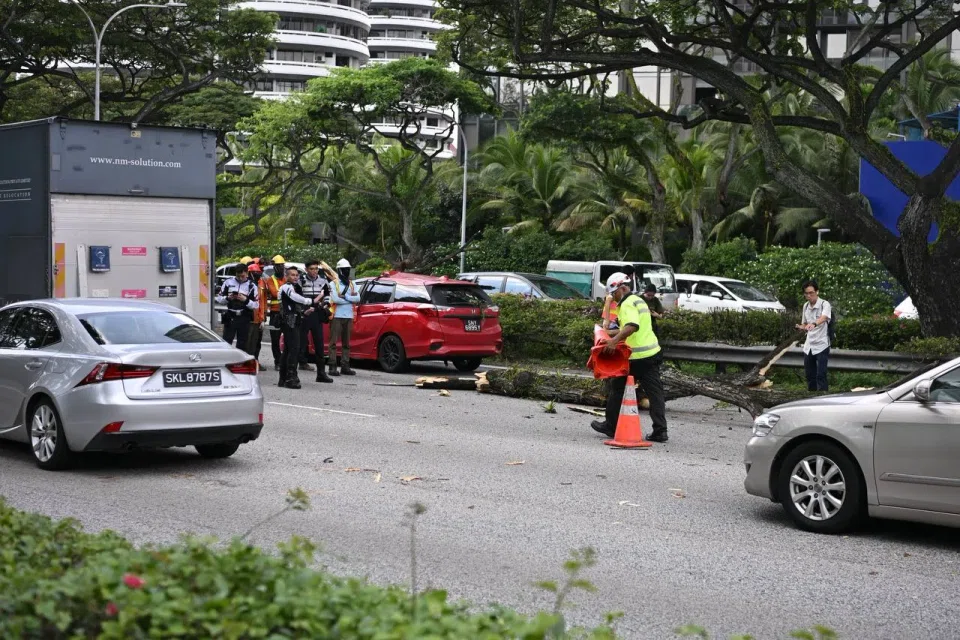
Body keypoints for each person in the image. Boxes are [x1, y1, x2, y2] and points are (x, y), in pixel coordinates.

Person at [591, 272, 669, 443]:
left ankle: (610, 426)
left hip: (636, 356)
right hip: (652, 353)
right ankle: (660, 431)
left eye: (614, 293)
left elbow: (632, 326)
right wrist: (606, 333)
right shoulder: (639, 300)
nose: (613, 297)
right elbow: (629, 326)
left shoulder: (627, 304)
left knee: (617, 388)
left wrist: (613, 341)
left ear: (622, 288)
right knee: (655, 393)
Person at [277, 265, 324, 389]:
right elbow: (297, 299)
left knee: (289, 350)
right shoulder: (286, 287)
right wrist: (313, 300)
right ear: (286, 276)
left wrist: (304, 312)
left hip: (295, 320)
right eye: (292, 275)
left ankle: (283, 378)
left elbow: (295, 307)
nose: (295, 277)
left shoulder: (295, 287)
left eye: (297, 275)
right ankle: (290, 378)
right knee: (293, 349)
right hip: (288, 322)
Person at [299, 260, 333, 383]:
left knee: (319, 344)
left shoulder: (323, 280)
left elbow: (328, 294)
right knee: (300, 342)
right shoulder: (301, 280)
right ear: (306, 269)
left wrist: (325, 304)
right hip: (305, 313)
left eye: (316, 269)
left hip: (317, 313)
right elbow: (297, 295)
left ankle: (321, 373)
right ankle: (293, 370)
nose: (314, 271)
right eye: (312, 269)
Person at [327, 258, 361, 377]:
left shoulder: (353, 284)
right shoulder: (333, 283)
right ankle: (332, 366)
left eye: (348, 269)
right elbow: (335, 299)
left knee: (346, 343)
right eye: (344, 270)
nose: (346, 272)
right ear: (339, 270)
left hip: (349, 316)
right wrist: (350, 298)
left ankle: (345, 366)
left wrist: (345, 297)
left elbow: (358, 299)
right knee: (333, 343)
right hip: (337, 315)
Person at [797, 279, 832, 392]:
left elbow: (824, 317)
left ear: (817, 292)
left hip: (822, 344)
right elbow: (804, 323)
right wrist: (801, 327)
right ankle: (811, 398)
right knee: (810, 376)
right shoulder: (805, 306)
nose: (809, 295)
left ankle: (823, 399)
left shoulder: (824, 304)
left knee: (821, 375)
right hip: (809, 346)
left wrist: (814, 324)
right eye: (806, 293)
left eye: (811, 293)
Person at [216, 263, 258, 352]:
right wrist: (228, 298)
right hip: (231, 315)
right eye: (238, 276)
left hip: (244, 316)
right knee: (227, 342)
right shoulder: (228, 282)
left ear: (247, 273)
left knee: (242, 344)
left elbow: (256, 305)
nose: (240, 278)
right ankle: (227, 362)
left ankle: (240, 364)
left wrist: (245, 300)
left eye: (242, 276)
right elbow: (219, 299)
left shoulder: (252, 286)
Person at [264, 256, 286, 371]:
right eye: (278, 266)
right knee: (275, 339)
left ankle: (285, 361)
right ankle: (277, 361)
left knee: (289, 338)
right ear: (274, 267)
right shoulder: (270, 280)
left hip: (286, 313)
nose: (281, 268)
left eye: (282, 265)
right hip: (275, 313)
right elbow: (274, 292)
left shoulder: (287, 279)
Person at [601, 265, 635, 334]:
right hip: (612, 319)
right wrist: (607, 320)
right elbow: (608, 300)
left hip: (616, 318)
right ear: (631, 275)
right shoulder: (617, 287)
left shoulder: (620, 286)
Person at [247, 263, 269, 370]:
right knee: (248, 343)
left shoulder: (261, 283)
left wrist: (263, 317)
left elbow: (263, 302)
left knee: (256, 343)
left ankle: (254, 362)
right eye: (256, 272)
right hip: (249, 318)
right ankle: (247, 363)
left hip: (258, 318)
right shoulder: (247, 284)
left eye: (259, 272)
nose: (259, 274)